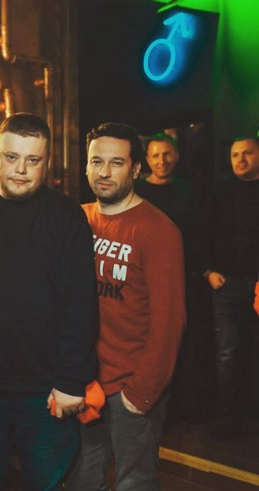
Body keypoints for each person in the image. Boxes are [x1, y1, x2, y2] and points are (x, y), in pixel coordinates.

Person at [0, 113, 99, 490]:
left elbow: (81, 305)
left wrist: (71, 381)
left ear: (46, 162)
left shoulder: (67, 217)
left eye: (32, 160)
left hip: (46, 389)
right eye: (11, 157)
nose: (20, 169)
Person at [68, 122, 186, 490]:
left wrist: (140, 393)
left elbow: (170, 322)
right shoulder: (78, 219)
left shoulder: (158, 230)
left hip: (130, 389)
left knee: (135, 483)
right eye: (96, 161)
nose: (104, 172)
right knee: (82, 480)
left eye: (116, 163)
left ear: (135, 169)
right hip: (85, 383)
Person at [136, 132, 208, 421]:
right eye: (155, 155)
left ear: (176, 156)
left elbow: (198, 234)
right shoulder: (138, 190)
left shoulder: (187, 190)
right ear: (147, 159)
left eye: (166, 154)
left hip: (183, 275)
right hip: (144, 279)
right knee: (149, 339)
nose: (161, 160)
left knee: (183, 340)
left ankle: (183, 407)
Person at [203, 135, 259, 439]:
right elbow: (204, 230)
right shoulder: (221, 192)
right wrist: (208, 271)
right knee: (228, 353)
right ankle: (226, 417)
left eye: (247, 153)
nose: (240, 159)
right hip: (227, 285)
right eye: (236, 154)